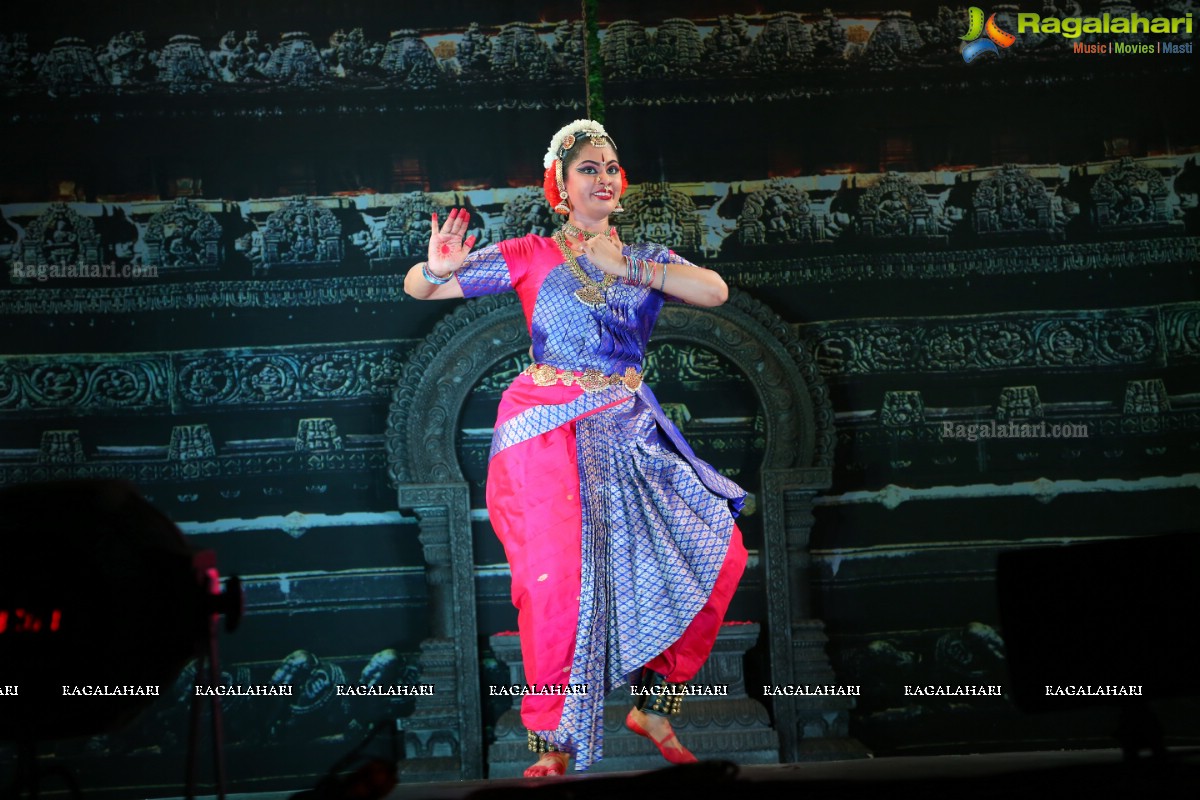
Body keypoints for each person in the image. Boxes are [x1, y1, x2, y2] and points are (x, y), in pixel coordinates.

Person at [404, 119, 748, 776]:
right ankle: (552, 746)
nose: (604, 178)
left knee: (723, 553)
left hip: (626, 432)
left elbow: (715, 292)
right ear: (560, 185)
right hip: (546, 432)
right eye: (588, 168)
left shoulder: (645, 257)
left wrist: (627, 265)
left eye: (612, 167)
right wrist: (435, 267)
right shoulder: (533, 253)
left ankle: (654, 704)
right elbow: (424, 288)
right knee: (556, 584)